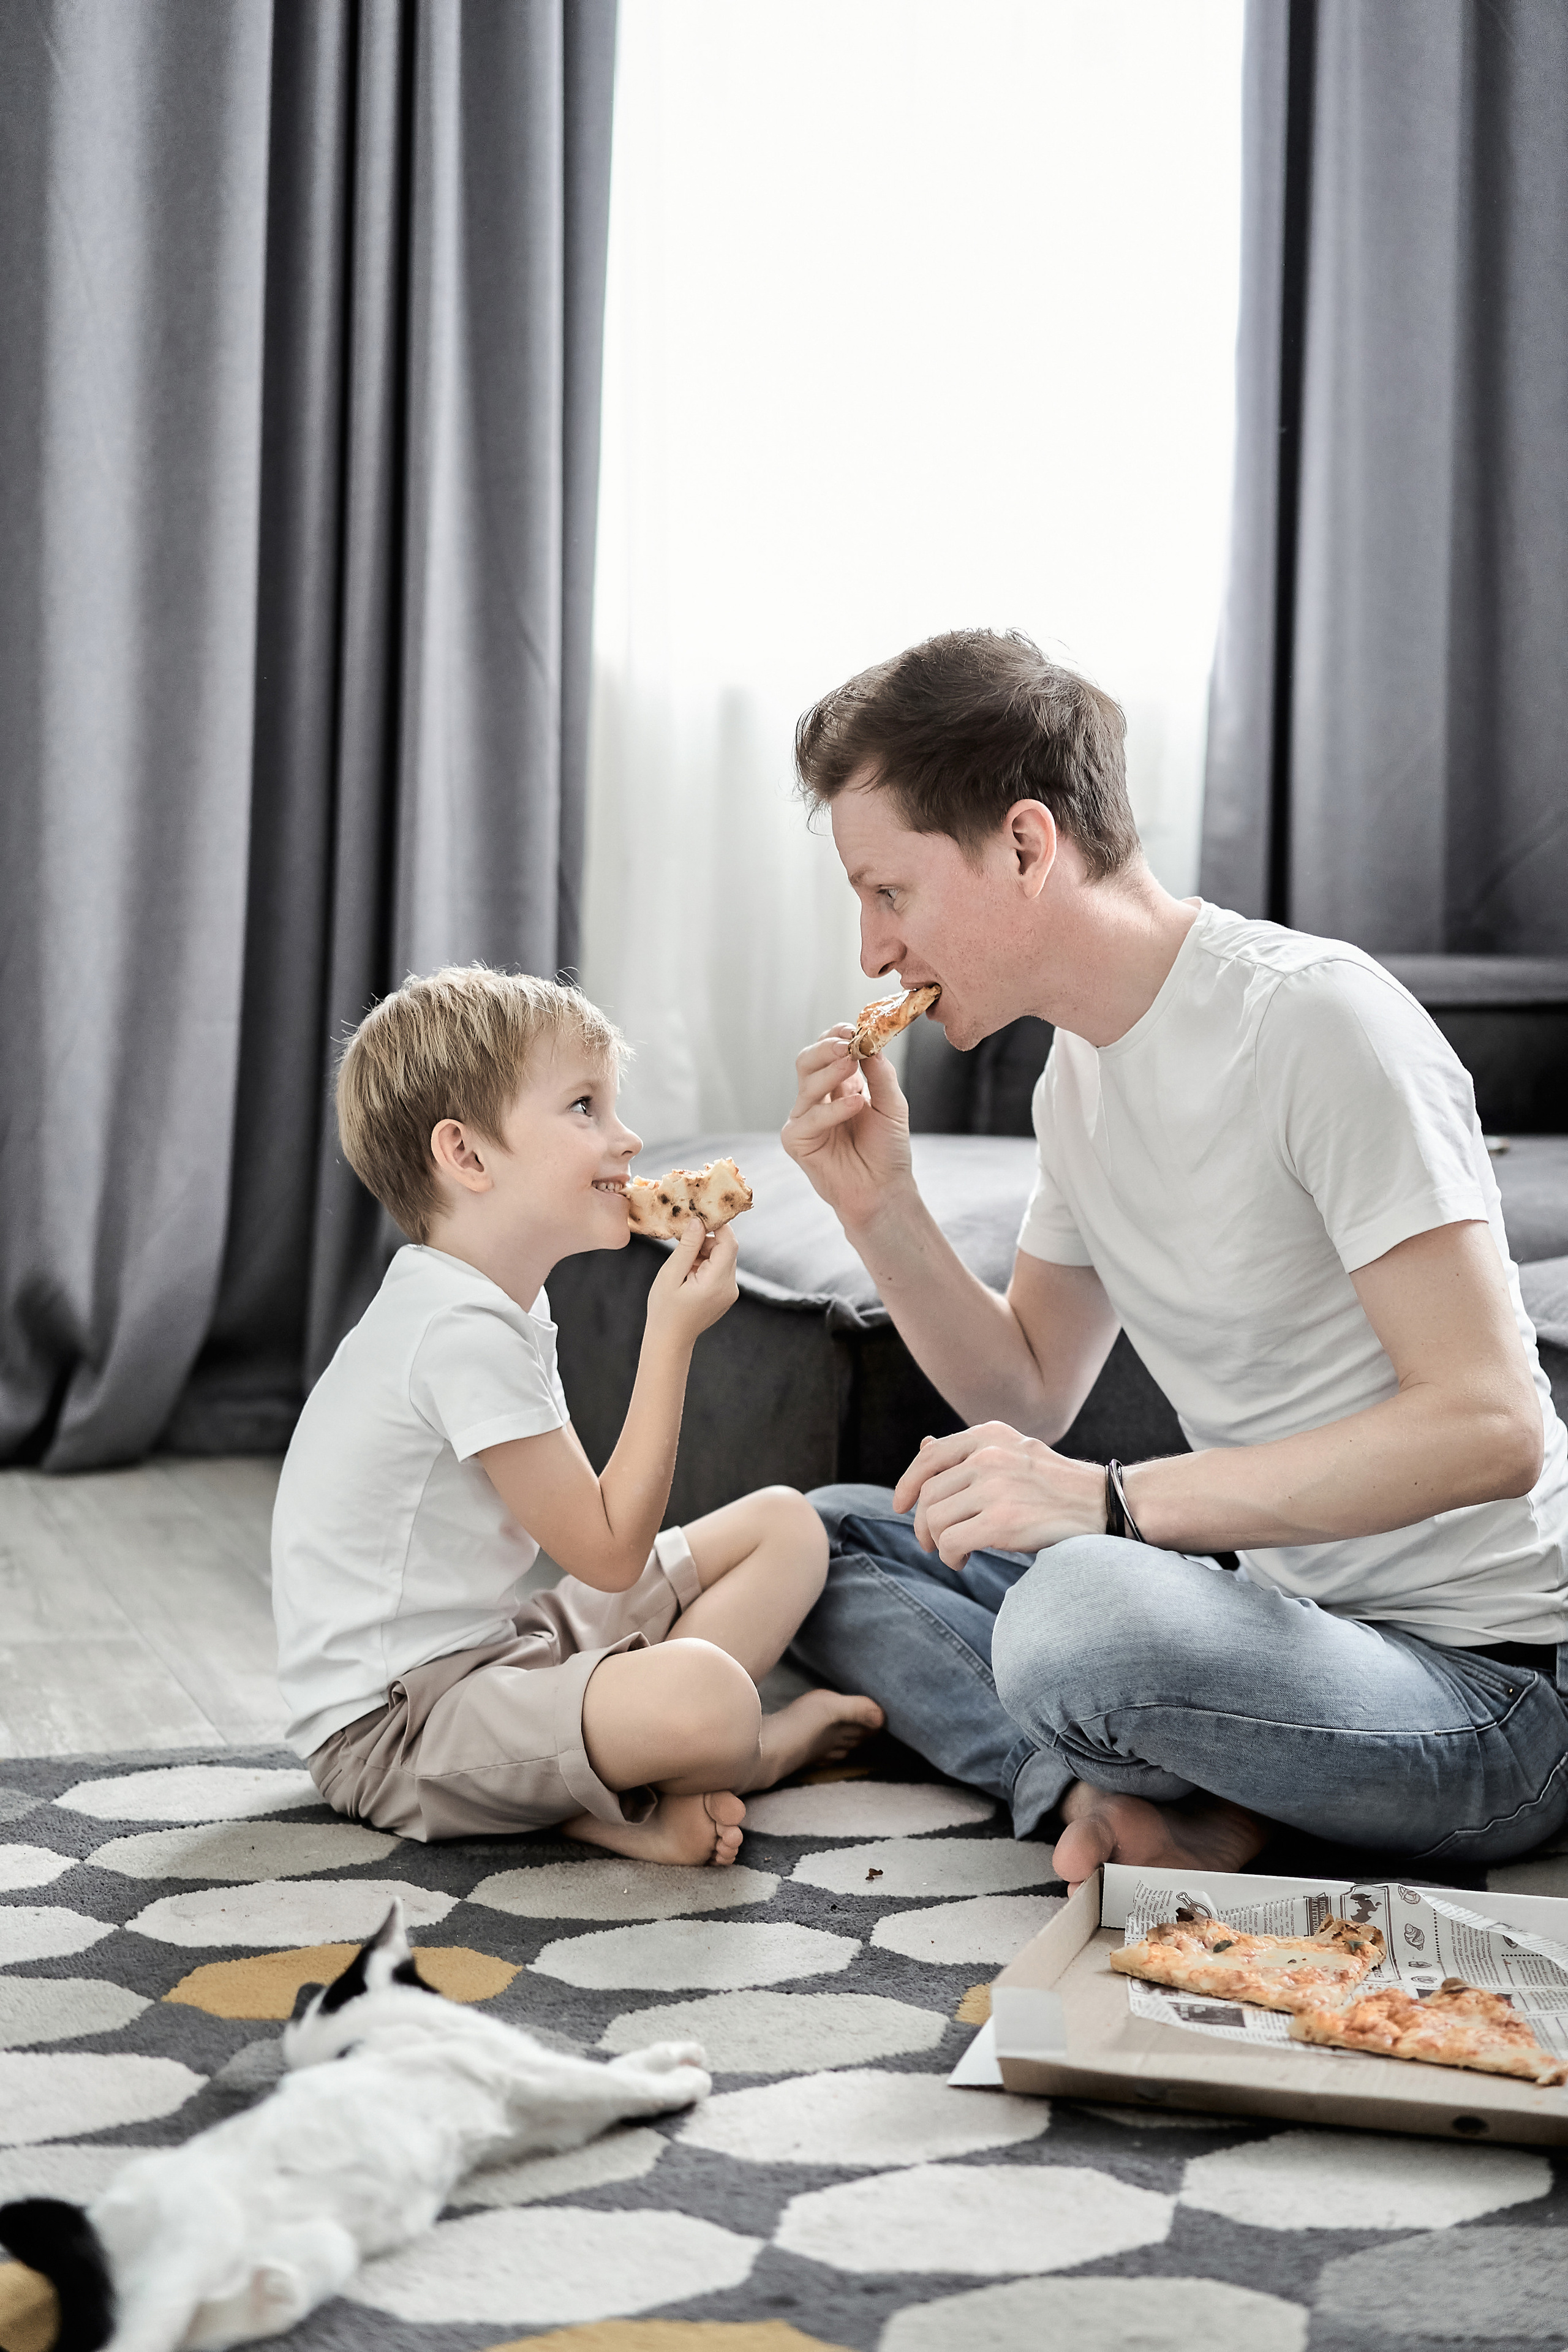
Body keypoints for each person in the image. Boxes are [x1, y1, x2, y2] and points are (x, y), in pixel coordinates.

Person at [782, 628, 1568, 1889]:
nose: (872, 952)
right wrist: (880, 1207)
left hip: (1491, 1689)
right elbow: (1026, 1388)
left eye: (889, 893)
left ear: (1025, 846)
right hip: (1275, 1628)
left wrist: (1115, 1506)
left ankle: (1149, 1776)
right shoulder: (1077, 1075)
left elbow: (1491, 1429)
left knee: (1075, 1622)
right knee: (820, 1542)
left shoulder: (1316, 1023)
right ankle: (1127, 1793)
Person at [272, 965, 881, 1865]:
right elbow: (608, 1551)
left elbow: (590, 1546)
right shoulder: (456, 1332)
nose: (627, 1139)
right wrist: (669, 1336)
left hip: (501, 1650)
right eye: (585, 1108)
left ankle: (626, 1773)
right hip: (398, 1731)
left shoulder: (496, 1304)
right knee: (713, 1698)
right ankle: (719, 1761)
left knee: (787, 1527)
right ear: (467, 1156)